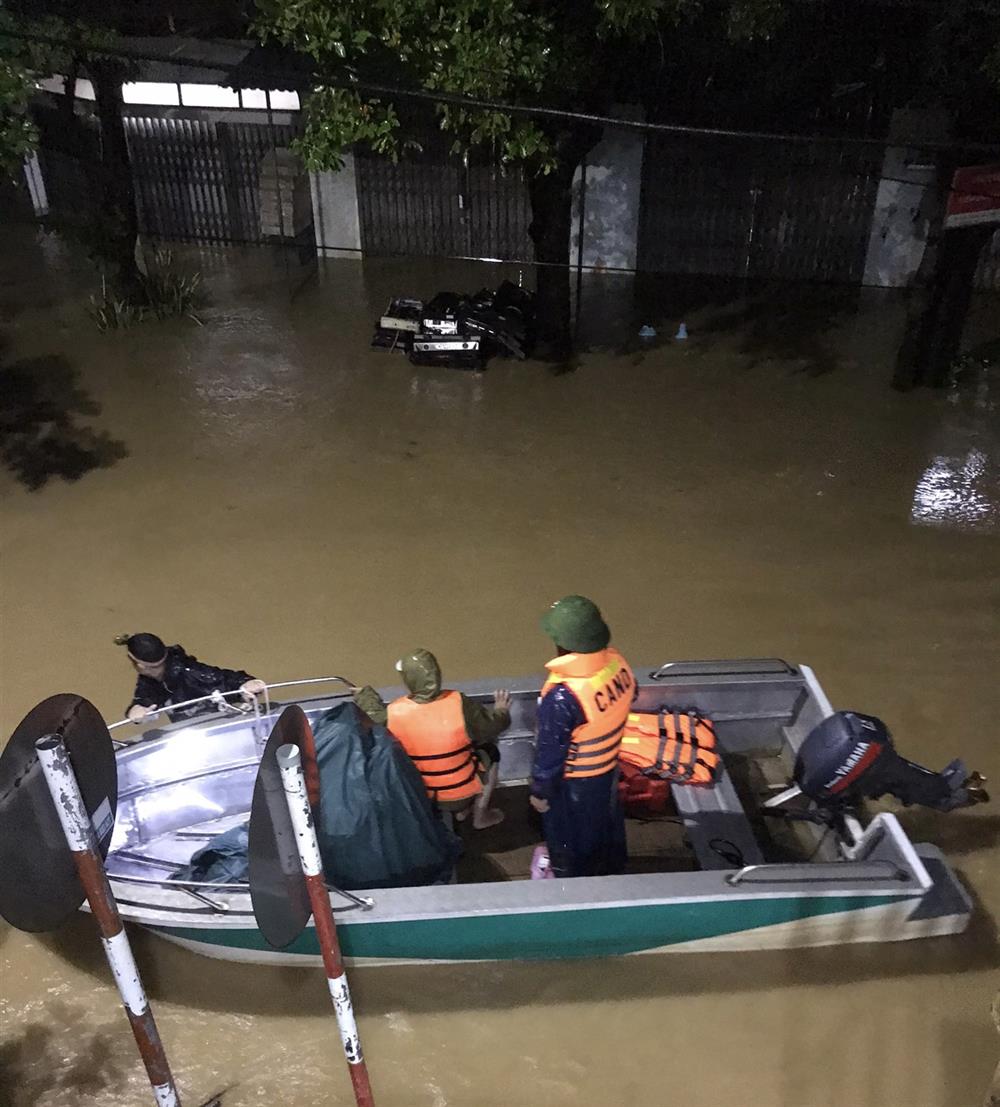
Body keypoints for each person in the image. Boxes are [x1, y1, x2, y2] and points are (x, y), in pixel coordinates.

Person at [529, 595, 635, 878]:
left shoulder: (563, 696)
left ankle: (570, 879)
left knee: (569, 836)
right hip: (609, 767)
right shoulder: (617, 664)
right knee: (607, 822)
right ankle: (614, 866)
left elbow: (550, 756)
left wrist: (540, 793)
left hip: (575, 784)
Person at [353, 649, 510, 830]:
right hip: (462, 791)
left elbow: (376, 715)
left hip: (421, 794)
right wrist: (501, 710)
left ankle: (461, 811)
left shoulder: (395, 712)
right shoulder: (459, 702)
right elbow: (493, 727)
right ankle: (479, 815)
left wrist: (364, 695)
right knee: (491, 751)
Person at [117, 633, 265, 724]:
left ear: (140, 666)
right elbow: (146, 699)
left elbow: (223, 679)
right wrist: (137, 709)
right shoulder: (149, 680)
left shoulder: (189, 671)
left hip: (218, 725)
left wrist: (245, 684)